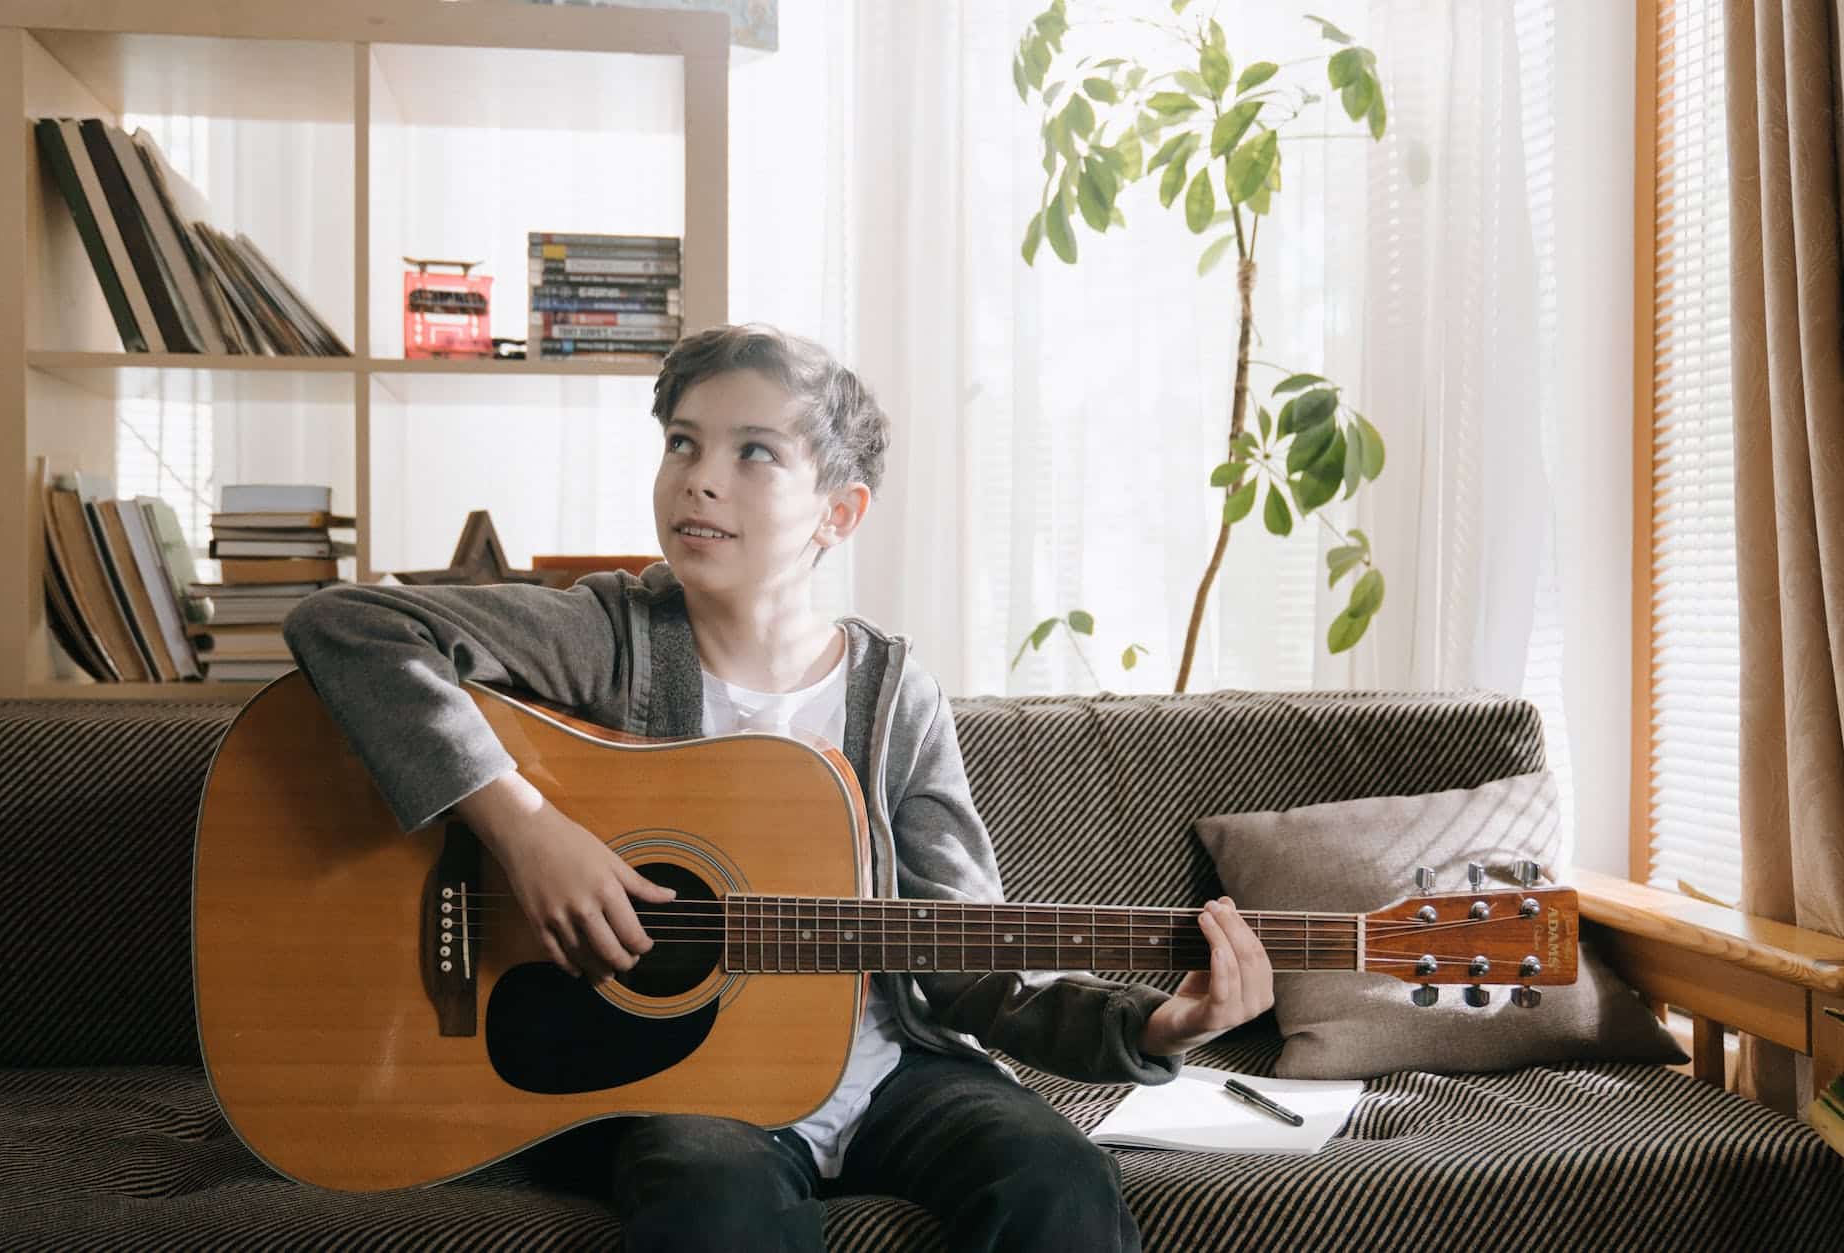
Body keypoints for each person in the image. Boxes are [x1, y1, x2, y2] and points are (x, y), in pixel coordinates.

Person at [282, 322, 1273, 1251]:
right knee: (710, 1194)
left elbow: (966, 947)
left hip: (892, 1068)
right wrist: (524, 828)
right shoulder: (610, 635)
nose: (700, 479)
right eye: (681, 443)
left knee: (1056, 1179)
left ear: (836, 514)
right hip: (678, 1078)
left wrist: (1153, 1023)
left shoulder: (892, 697)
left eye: (753, 451)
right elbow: (350, 625)